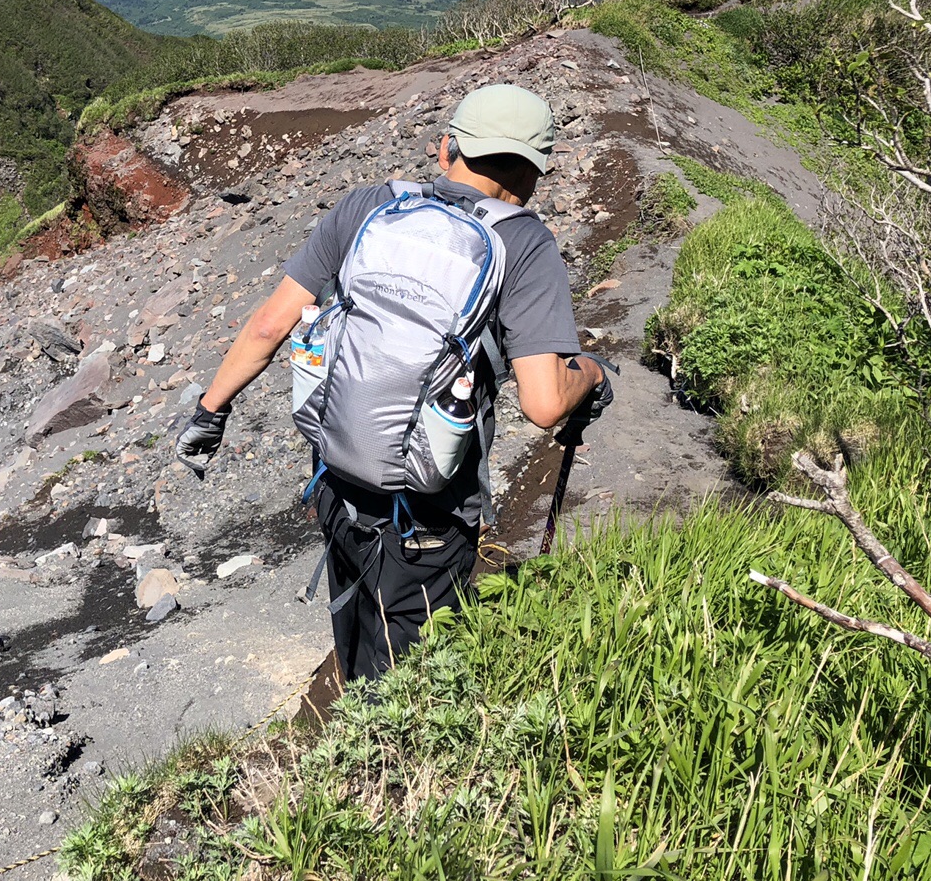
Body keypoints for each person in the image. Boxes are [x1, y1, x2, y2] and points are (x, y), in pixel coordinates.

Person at [172, 83, 612, 681]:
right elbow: (543, 403)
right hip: (432, 512)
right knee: (414, 683)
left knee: (355, 639)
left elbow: (270, 325)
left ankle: (344, 749)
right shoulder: (524, 244)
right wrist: (590, 373)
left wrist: (210, 410)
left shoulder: (370, 208)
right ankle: (391, 770)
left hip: (337, 480)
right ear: (533, 172)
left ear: (446, 149)